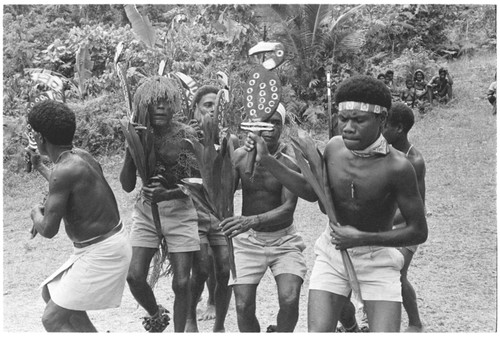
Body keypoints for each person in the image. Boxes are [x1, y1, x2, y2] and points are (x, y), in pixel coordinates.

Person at [244, 75, 428, 332]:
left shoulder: (399, 167)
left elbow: (418, 231)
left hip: (378, 260)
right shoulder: (334, 148)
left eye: (359, 120)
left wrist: (361, 237)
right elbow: (312, 191)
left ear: (381, 119)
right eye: (344, 119)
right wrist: (267, 159)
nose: (348, 127)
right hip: (332, 255)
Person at [27, 100, 132, 332]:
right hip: (105, 245)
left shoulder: (64, 171)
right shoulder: (80, 156)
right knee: (51, 292)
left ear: (41, 138)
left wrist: (35, 213)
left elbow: (48, 230)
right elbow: (70, 190)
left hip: (104, 251)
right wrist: (40, 167)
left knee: (51, 319)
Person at [120, 76, 200, 332]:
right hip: (146, 212)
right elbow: (127, 185)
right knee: (134, 276)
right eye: (155, 103)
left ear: (175, 104)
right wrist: (131, 148)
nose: (161, 108)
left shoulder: (186, 136)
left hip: (180, 212)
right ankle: (156, 312)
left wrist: (166, 194)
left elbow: (197, 184)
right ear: (144, 107)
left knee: (182, 283)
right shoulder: (139, 135)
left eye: (166, 102)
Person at [219, 106, 307, 332]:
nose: (270, 128)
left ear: (283, 127)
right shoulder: (239, 156)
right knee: (242, 305)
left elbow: (288, 209)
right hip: (248, 241)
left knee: (289, 299)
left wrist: (250, 220)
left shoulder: (290, 161)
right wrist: (221, 154)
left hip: (284, 241)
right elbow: (223, 197)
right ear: (254, 125)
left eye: (276, 122)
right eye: (264, 122)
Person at [185, 85, 232, 332]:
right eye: (207, 105)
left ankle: (219, 326)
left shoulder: (229, 140)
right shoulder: (186, 141)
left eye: (217, 105)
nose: (213, 110)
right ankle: (190, 317)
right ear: (194, 111)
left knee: (224, 268)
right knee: (202, 268)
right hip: (193, 215)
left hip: (221, 214)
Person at [383, 102, 426, 332]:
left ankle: (415, 323)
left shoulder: (414, 161)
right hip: (385, 223)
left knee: (398, 273)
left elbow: (416, 207)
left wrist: (385, 221)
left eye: (385, 125)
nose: (380, 130)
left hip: (409, 226)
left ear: (399, 128)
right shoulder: (382, 151)